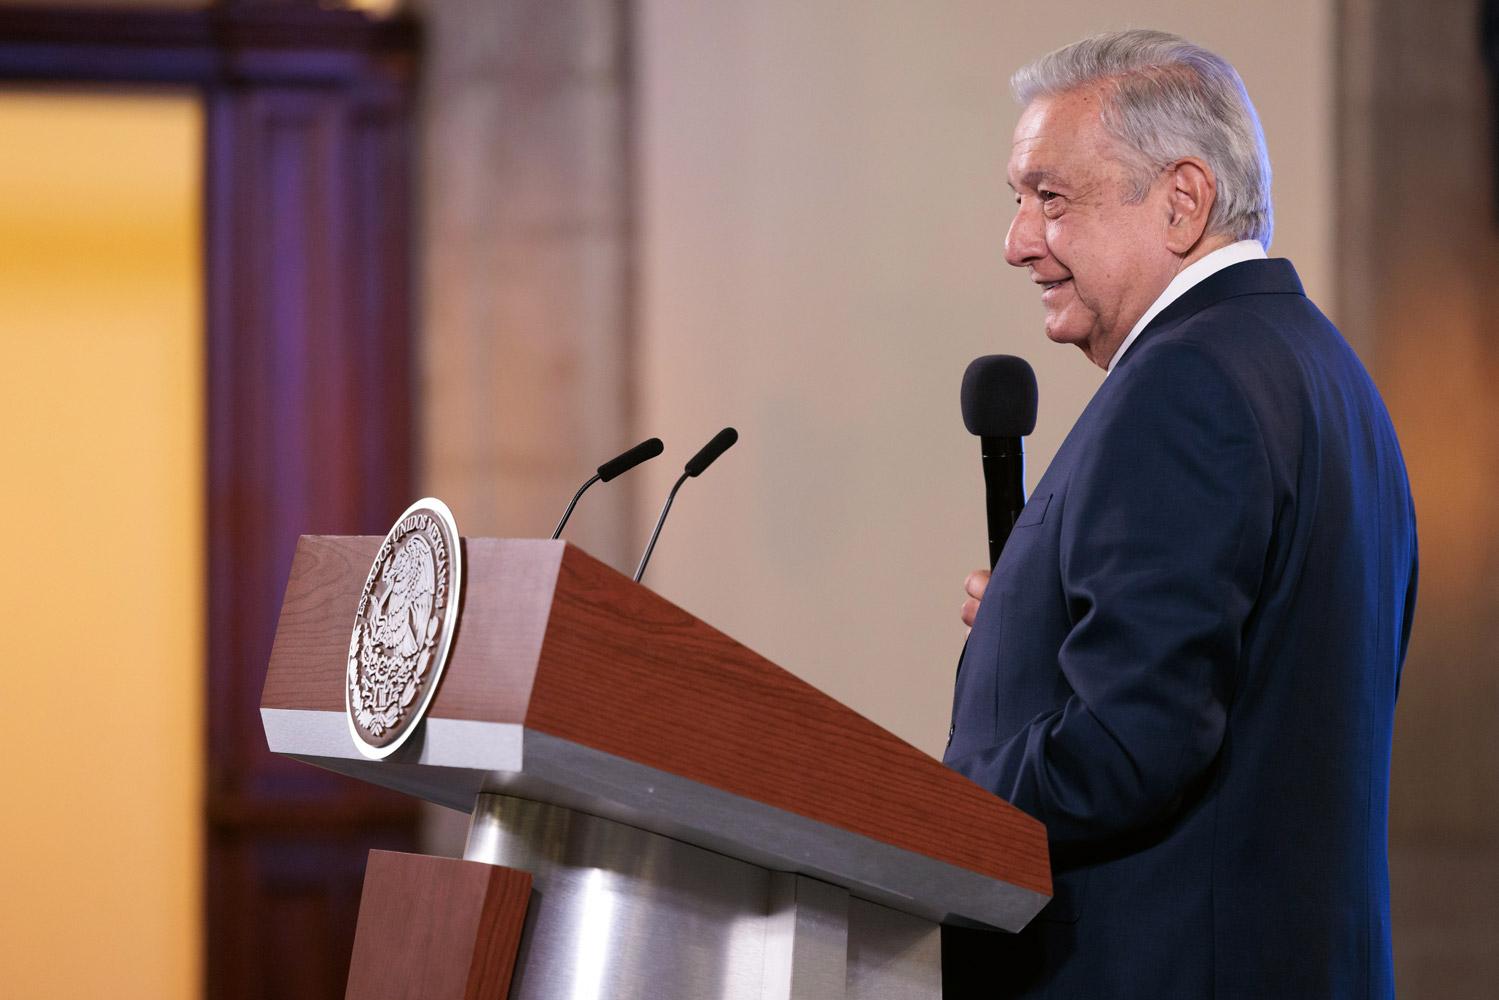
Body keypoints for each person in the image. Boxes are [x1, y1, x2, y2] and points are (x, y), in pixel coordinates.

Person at [942, 30, 1417, 999]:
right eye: (1016, 200)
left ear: (1180, 200)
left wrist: (937, 802)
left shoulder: (1185, 383)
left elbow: (1128, 744)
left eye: (1049, 197)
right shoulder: (1327, 374)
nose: (1016, 240)